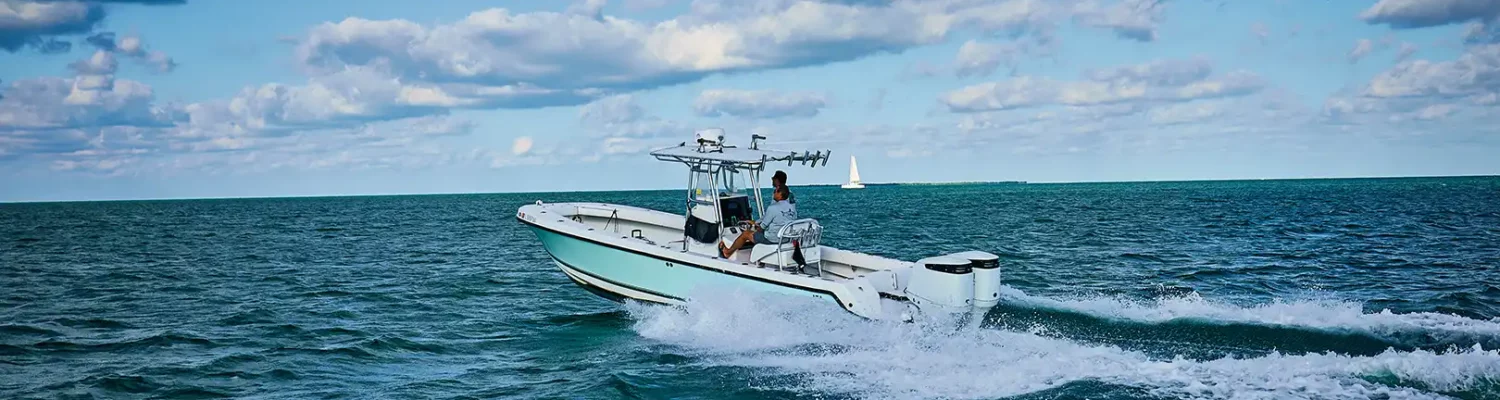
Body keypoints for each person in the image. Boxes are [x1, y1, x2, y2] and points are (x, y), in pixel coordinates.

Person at [721, 186, 797, 258]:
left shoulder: (772, 208)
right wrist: (755, 223)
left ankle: (728, 252)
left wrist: (753, 228)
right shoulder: (792, 208)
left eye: (775, 191)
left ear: (780, 194)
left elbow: (762, 227)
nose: (773, 193)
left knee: (745, 234)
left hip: (771, 240)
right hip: (785, 239)